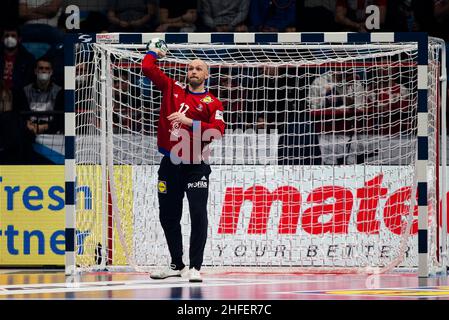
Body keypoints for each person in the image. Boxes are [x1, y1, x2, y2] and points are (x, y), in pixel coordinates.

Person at [141, 41, 225, 282]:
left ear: (207, 74)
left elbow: (218, 131)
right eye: (190, 68)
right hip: (170, 163)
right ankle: (176, 263)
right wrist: (153, 52)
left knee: (198, 213)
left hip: (196, 164)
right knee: (168, 215)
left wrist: (188, 122)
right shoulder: (172, 88)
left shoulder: (212, 103)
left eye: (198, 68)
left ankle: (195, 267)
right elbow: (147, 68)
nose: (193, 72)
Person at [0, 26, 35, 91]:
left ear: (19, 39)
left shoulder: (29, 59)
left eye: (13, 36)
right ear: (2, 39)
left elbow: (29, 83)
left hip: (19, 95)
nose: (9, 38)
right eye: (7, 36)